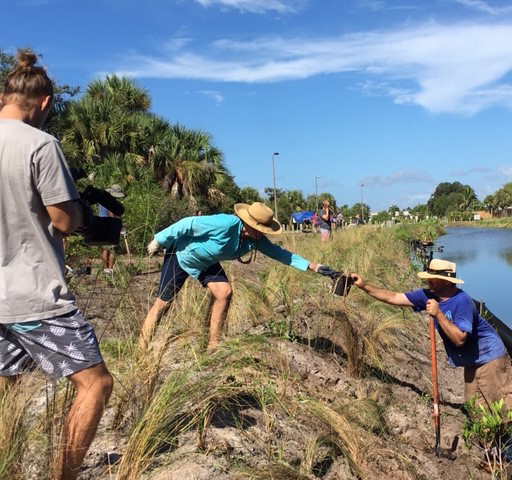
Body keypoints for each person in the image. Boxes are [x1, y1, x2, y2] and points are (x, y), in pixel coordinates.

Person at [0, 50, 113, 480]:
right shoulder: (40, 145)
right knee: (95, 383)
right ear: (45, 103)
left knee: (5, 390)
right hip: (35, 296)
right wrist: (86, 212)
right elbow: (63, 221)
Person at [350, 259, 512, 469]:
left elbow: (459, 339)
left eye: (432, 278)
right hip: (472, 362)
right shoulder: (430, 295)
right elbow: (394, 297)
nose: (428, 281)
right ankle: (493, 459)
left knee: (507, 409)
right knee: (476, 408)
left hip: (490, 358)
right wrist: (364, 286)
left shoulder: (461, 302)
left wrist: (438, 313)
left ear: (446, 281)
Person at [140, 202, 327, 350]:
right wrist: (159, 240)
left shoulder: (256, 240)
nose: (263, 233)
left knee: (224, 292)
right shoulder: (225, 223)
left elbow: (282, 254)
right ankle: (141, 348)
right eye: (261, 229)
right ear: (249, 223)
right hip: (183, 255)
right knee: (163, 303)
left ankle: (214, 344)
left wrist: (312, 266)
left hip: (206, 262)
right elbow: (187, 223)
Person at [99, 184, 125, 274]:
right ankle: (110, 269)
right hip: (110, 226)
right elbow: (112, 214)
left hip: (101, 225)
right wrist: (120, 226)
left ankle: (105, 269)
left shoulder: (103, 198)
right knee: (112, 249)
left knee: (105, 248)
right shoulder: (110, 201)